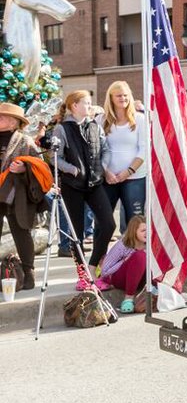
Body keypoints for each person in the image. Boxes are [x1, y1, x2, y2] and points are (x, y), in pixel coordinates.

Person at [52, 90, 116, 277]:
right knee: (76, 232)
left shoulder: (95, 126)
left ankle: (94, 264)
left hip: (95, 183)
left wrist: (102, 166)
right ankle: (82, 272)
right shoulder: (62, 128)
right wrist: (71, 169)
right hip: (72, 186)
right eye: (86, 103)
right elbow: (55, 156)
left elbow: (105, 149)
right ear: (74, 106)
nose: (90, 106)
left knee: (108, 224)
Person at [0, 103, 48, 290]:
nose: (0, 119)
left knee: (21, 232)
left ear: (14, 122)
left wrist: (24, 168)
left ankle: (28, 274)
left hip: (17, 194)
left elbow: (40, 167)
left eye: (3, 116)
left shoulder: (24, 141)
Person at [99, 81, 147, 234]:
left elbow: (144, 149)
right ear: (111, 98)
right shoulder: (100, 120)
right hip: (108, 178)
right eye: (119, 95)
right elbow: (96, 150)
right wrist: (106, 172)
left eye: (126, 95)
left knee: (135, 222)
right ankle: (100, 257)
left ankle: (134, 257)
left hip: (135, 177)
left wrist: (129, 171)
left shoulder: (140, 119)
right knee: (103, 221)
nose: (123, 98)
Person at [95, 215, 147, 314]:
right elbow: (104, 271)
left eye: (149, 229)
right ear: (134, 231)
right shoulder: (123, 245)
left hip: (141, 279)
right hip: (119, 279)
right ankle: (128, 298)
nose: (147, 233)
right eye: (143, 230)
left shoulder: (150, 244)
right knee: (139, 256)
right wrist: (125, 261)